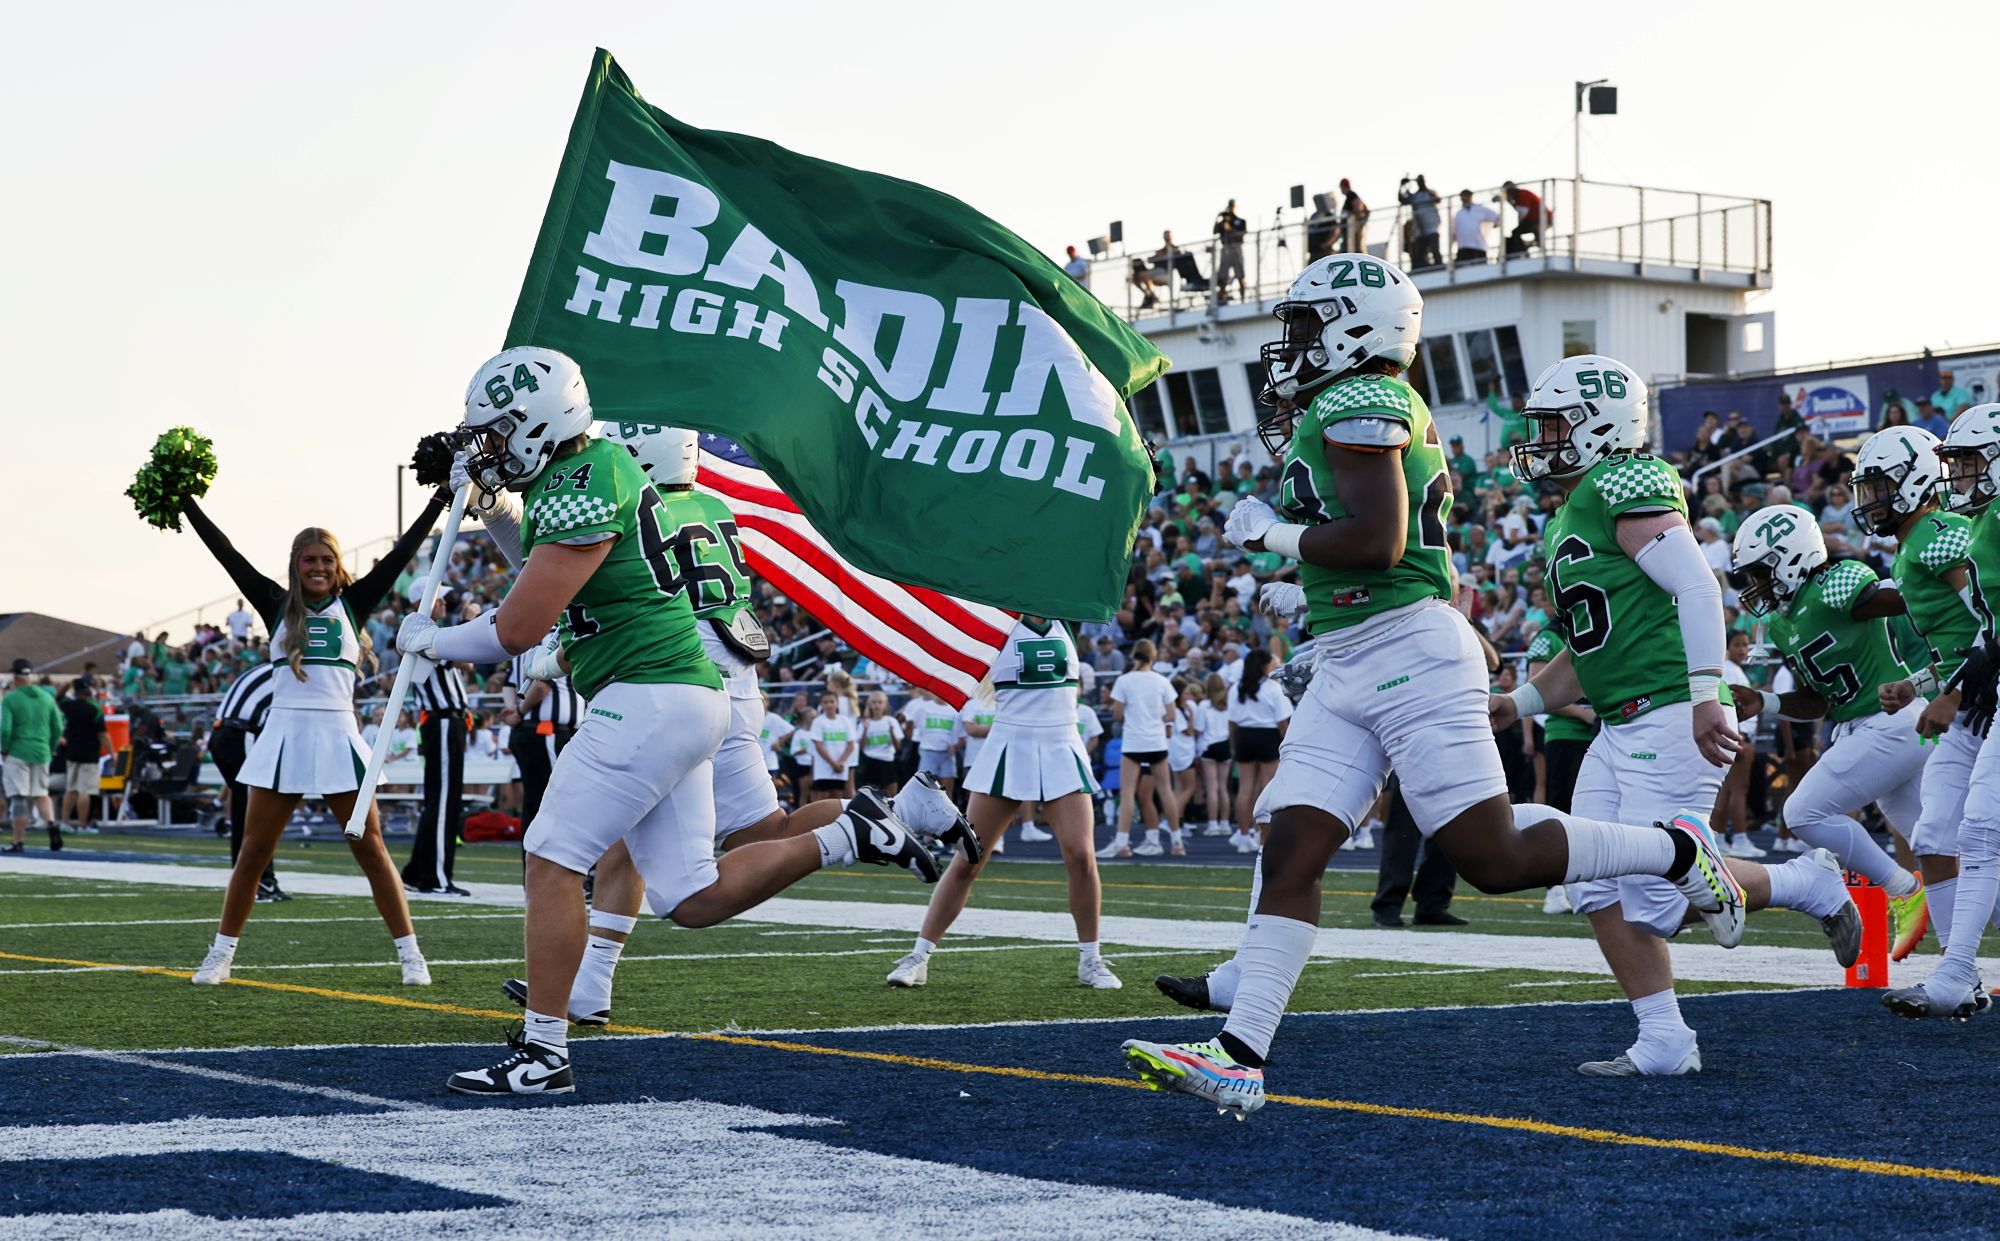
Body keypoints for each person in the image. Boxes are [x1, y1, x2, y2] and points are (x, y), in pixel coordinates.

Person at [1124, 260, 1746, 1117]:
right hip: (1353, 655)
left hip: (1409, 652)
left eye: (1310, 325)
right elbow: (1368, 558)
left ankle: (1677, 851)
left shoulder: (1358, 401)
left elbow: (1378, 541)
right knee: (1292, 846)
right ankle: (1240, 1055)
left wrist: (1274, 536)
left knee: (1491, 859)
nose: (1295, 346)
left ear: (1354, 328)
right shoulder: (1338, 406)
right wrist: (1298, 587)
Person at [397, 353, 956, 1095]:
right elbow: (544, 563)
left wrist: (431, 640)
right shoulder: (591, 472)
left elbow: (520, 626)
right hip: (681, 694)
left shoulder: (586, 479)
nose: (489, 450)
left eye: (498, 435)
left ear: (539, 422)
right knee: (690, 895)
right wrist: (495, 506)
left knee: (553, 856)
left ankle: (544, 1050)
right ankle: (846, 834)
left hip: (648, 694)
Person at [494, 422, 974, 1029]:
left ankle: (587, 986)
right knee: (748, 831)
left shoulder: (643, 509)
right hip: (728, 680)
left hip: (673, 679)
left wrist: (548, 656)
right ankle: (903, 813)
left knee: (661, 860)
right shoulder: (709, 504)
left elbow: (581, 580)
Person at [1492, 355, 1859, 1076]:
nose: (1540, 441)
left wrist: (1701, 694)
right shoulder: (1569, 510)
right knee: (1593, 882)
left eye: (1554, 425)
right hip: (1620, 722)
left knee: (1654, 900)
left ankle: (1808, 883)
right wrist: (1523, 700)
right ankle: (1663, 1039)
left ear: (1597, 425)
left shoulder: (1624, 479)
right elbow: (1584, 649)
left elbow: (1695, 581)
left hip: (1670, 707)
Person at [177, 471, 448, 986]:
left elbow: (400, 553)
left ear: (337, 565)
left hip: (339, 736)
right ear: (296, 566)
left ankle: (411, 955)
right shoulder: (275, 604)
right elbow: (226, 552)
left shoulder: (355, 603)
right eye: (310, 560)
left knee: (370, 849)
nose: (319, 567)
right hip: (283, 736)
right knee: (254, 851)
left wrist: (439, 500)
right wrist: (186, 503)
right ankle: (221, 954)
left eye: (327, 559)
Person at [1728, 504, 1931, 959]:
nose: (1753, 585)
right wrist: (1765, 702)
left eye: (1761, 571)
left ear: (1792, 556)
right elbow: (1818, 698)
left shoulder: (1835, 582)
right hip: (1871, 729)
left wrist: (1957, 580)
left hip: (1892, 721)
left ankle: (1902, 889)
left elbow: (1907, 597)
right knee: (1938, 842)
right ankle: (1962, 967)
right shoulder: (1781, 622)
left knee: (1803, 812)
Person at [885, 616, 1117, 989]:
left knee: (1081, 855)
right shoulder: (995, 620)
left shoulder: (1067, 613)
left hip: (1062, 744)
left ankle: (1091, 958)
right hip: (1008, 744)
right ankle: (919, 955)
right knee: (968, 859)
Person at [1879, 412, 2000, 1017]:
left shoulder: (1948, 533)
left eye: (1971, 461)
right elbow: (1980, 633)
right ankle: (1961, 973)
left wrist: (1950, 687)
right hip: (1982, 684)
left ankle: (1956, 975)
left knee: (1981, 827)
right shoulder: (1981, 523)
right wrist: (1932, 681)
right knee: (1934, 831)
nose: (1959, 475)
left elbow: (1983, 631)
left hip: (1983, 686)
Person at [403, 596, 473, 897]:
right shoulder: (426, 633)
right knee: (444, 800)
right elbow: (468, 659)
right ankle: (436, 877)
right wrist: (469, 622)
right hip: (443, 722)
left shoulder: (429, 632)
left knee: (439, 799)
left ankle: (419, 871)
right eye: (438, 598)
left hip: (447, 723)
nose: (444, 602)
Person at [209, 662, 286, 901]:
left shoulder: (271, 668)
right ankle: (256, 882)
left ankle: (256, 881)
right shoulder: (293, 672)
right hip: (242, 733)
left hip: (226, 733)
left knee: (249, 810)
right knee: (256, 813)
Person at [1100, 640, 1183, 858]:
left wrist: (1137, 716)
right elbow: (1172, 715)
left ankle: (1122, 843)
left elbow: (1117, 715)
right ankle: (1177, 842)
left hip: (1134, 742)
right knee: (1166, 791)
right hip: (1156, 741)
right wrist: (1155, 718)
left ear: (1134, 657)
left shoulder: (1125, 681)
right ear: (1153, 657)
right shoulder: (1162, 681)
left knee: (1127, 793)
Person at [505, 624, 580, 839]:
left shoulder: (523, 646)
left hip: (530, 731)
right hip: (548, 732)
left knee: (535, 800)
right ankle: (552, 863)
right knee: (554, 801)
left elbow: (509, 682)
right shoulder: (552, 639)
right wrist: (519, 711)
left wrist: (512, 710)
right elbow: (540, 686)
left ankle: (534, 864)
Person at [1369, 777, 1462, 927]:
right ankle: (1388, 906)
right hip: (1412, 764)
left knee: (1447, 832)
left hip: (1451, 767)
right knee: (1402, 835)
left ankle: (1433, 905)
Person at [1225, 648, 1290, 846]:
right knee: (1267, 788)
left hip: (1244, 736)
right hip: (1267, 737)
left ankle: (1244, 835)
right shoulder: (1273, 688)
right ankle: (1262, 835)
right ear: (1263, 666)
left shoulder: (1237, 688)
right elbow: (1282, 724)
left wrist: (1234, 746)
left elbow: (1232, 722)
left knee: (1245, 789)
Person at [1, 660, 63, 853]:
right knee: (41, 793)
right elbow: (58, 728)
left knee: (19, 797)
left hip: (18, 750)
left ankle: (18, 841)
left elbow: (5, 729)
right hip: (42, 751)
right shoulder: (46, 698)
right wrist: (49, 747)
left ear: (15, 677)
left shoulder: (11, 699)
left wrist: (5, 748)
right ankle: (51, 823)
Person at [57, 679, 106, 836]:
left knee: (71, 790)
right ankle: (82, 824)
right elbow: (103, 734)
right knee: (85, 791)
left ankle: (64, 822)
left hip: (72, 752)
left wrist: (68, 684)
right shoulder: (94, 709)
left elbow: (59, 696)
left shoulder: (69, 706)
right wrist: (113, 753)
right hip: (90, 754)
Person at [1193, 673, 1234, 840]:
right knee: (1223, 787)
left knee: (1212, 788)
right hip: (1225, 746)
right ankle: (1225, 823)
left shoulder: (1204, 705)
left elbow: (1199, 730)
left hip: (1208, 746)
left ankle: (1213, 824)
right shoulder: (1229, 705)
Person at [1397, 175, 1441, 270]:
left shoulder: (1430, 193)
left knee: (1435, 250)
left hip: (1432, 228)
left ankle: (1439, 268)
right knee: (1419, 253)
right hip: (1419, 231)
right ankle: (1420, 268)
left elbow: (1438, 199)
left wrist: (1424, 187)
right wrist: (1402, 186)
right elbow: (1401, 199)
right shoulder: (1415, 196)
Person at [1213, 200, 1248, 303]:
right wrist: (1217, 219)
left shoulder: (1240, 221)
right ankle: (1222, 298)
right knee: (1223, 276)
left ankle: (1243, 299)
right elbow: (1214, 231)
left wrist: (1230, 229)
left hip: (1236, 249)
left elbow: (1241, 235)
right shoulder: (1223, 222)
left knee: (1240, 275)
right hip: (1225, 249)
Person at [1452, 189, 1499, 266]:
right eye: (1463, 196)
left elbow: (1497, 217)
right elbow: (1454, 233)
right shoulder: (1458, 214)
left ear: (1470, 196)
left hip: (1479, 246)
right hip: (1463, 247)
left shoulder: (1480, 209)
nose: (1464, 198)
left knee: (1481, 270)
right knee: (1459, 271)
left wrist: (1496, 224)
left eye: (1466, 195)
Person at [1501, 181, 1546, 255]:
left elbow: (1523, 212)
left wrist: (1508, 201)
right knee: (1530, 233)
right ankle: (1531, 248)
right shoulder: (1519, 196)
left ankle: (1522, 251)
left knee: (1516, 232)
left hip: (1538, 219)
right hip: (1536, 219)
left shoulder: (1522, 194)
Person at [1336, 179, 1369, 253]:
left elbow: (1358, 206)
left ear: (1343, 187)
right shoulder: (1350, 196)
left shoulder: (1351, 195)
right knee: (1353, 247)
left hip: (1353, 229)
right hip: (1351, 228)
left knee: (1356, 247)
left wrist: (1358, 222)